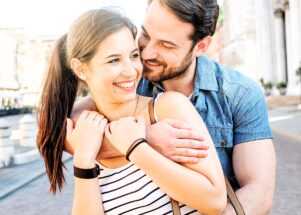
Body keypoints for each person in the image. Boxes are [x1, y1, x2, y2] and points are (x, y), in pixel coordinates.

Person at [74, 0, 276, 214]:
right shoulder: (128, 84)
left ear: (201, 46)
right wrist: (148, 136)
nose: (146, 53)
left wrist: (138, 141)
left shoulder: (239, 94)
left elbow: (259, 193)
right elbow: (63, 130)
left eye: (166, 45)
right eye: (146, 35)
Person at [37, 8, 227, 215]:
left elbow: (215, 201)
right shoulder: (85, 134)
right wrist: (84, 159)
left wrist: (136, 147)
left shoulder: (168, 108)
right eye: (113, 60)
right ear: (81, 69)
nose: (131, 70)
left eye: (133, 56)